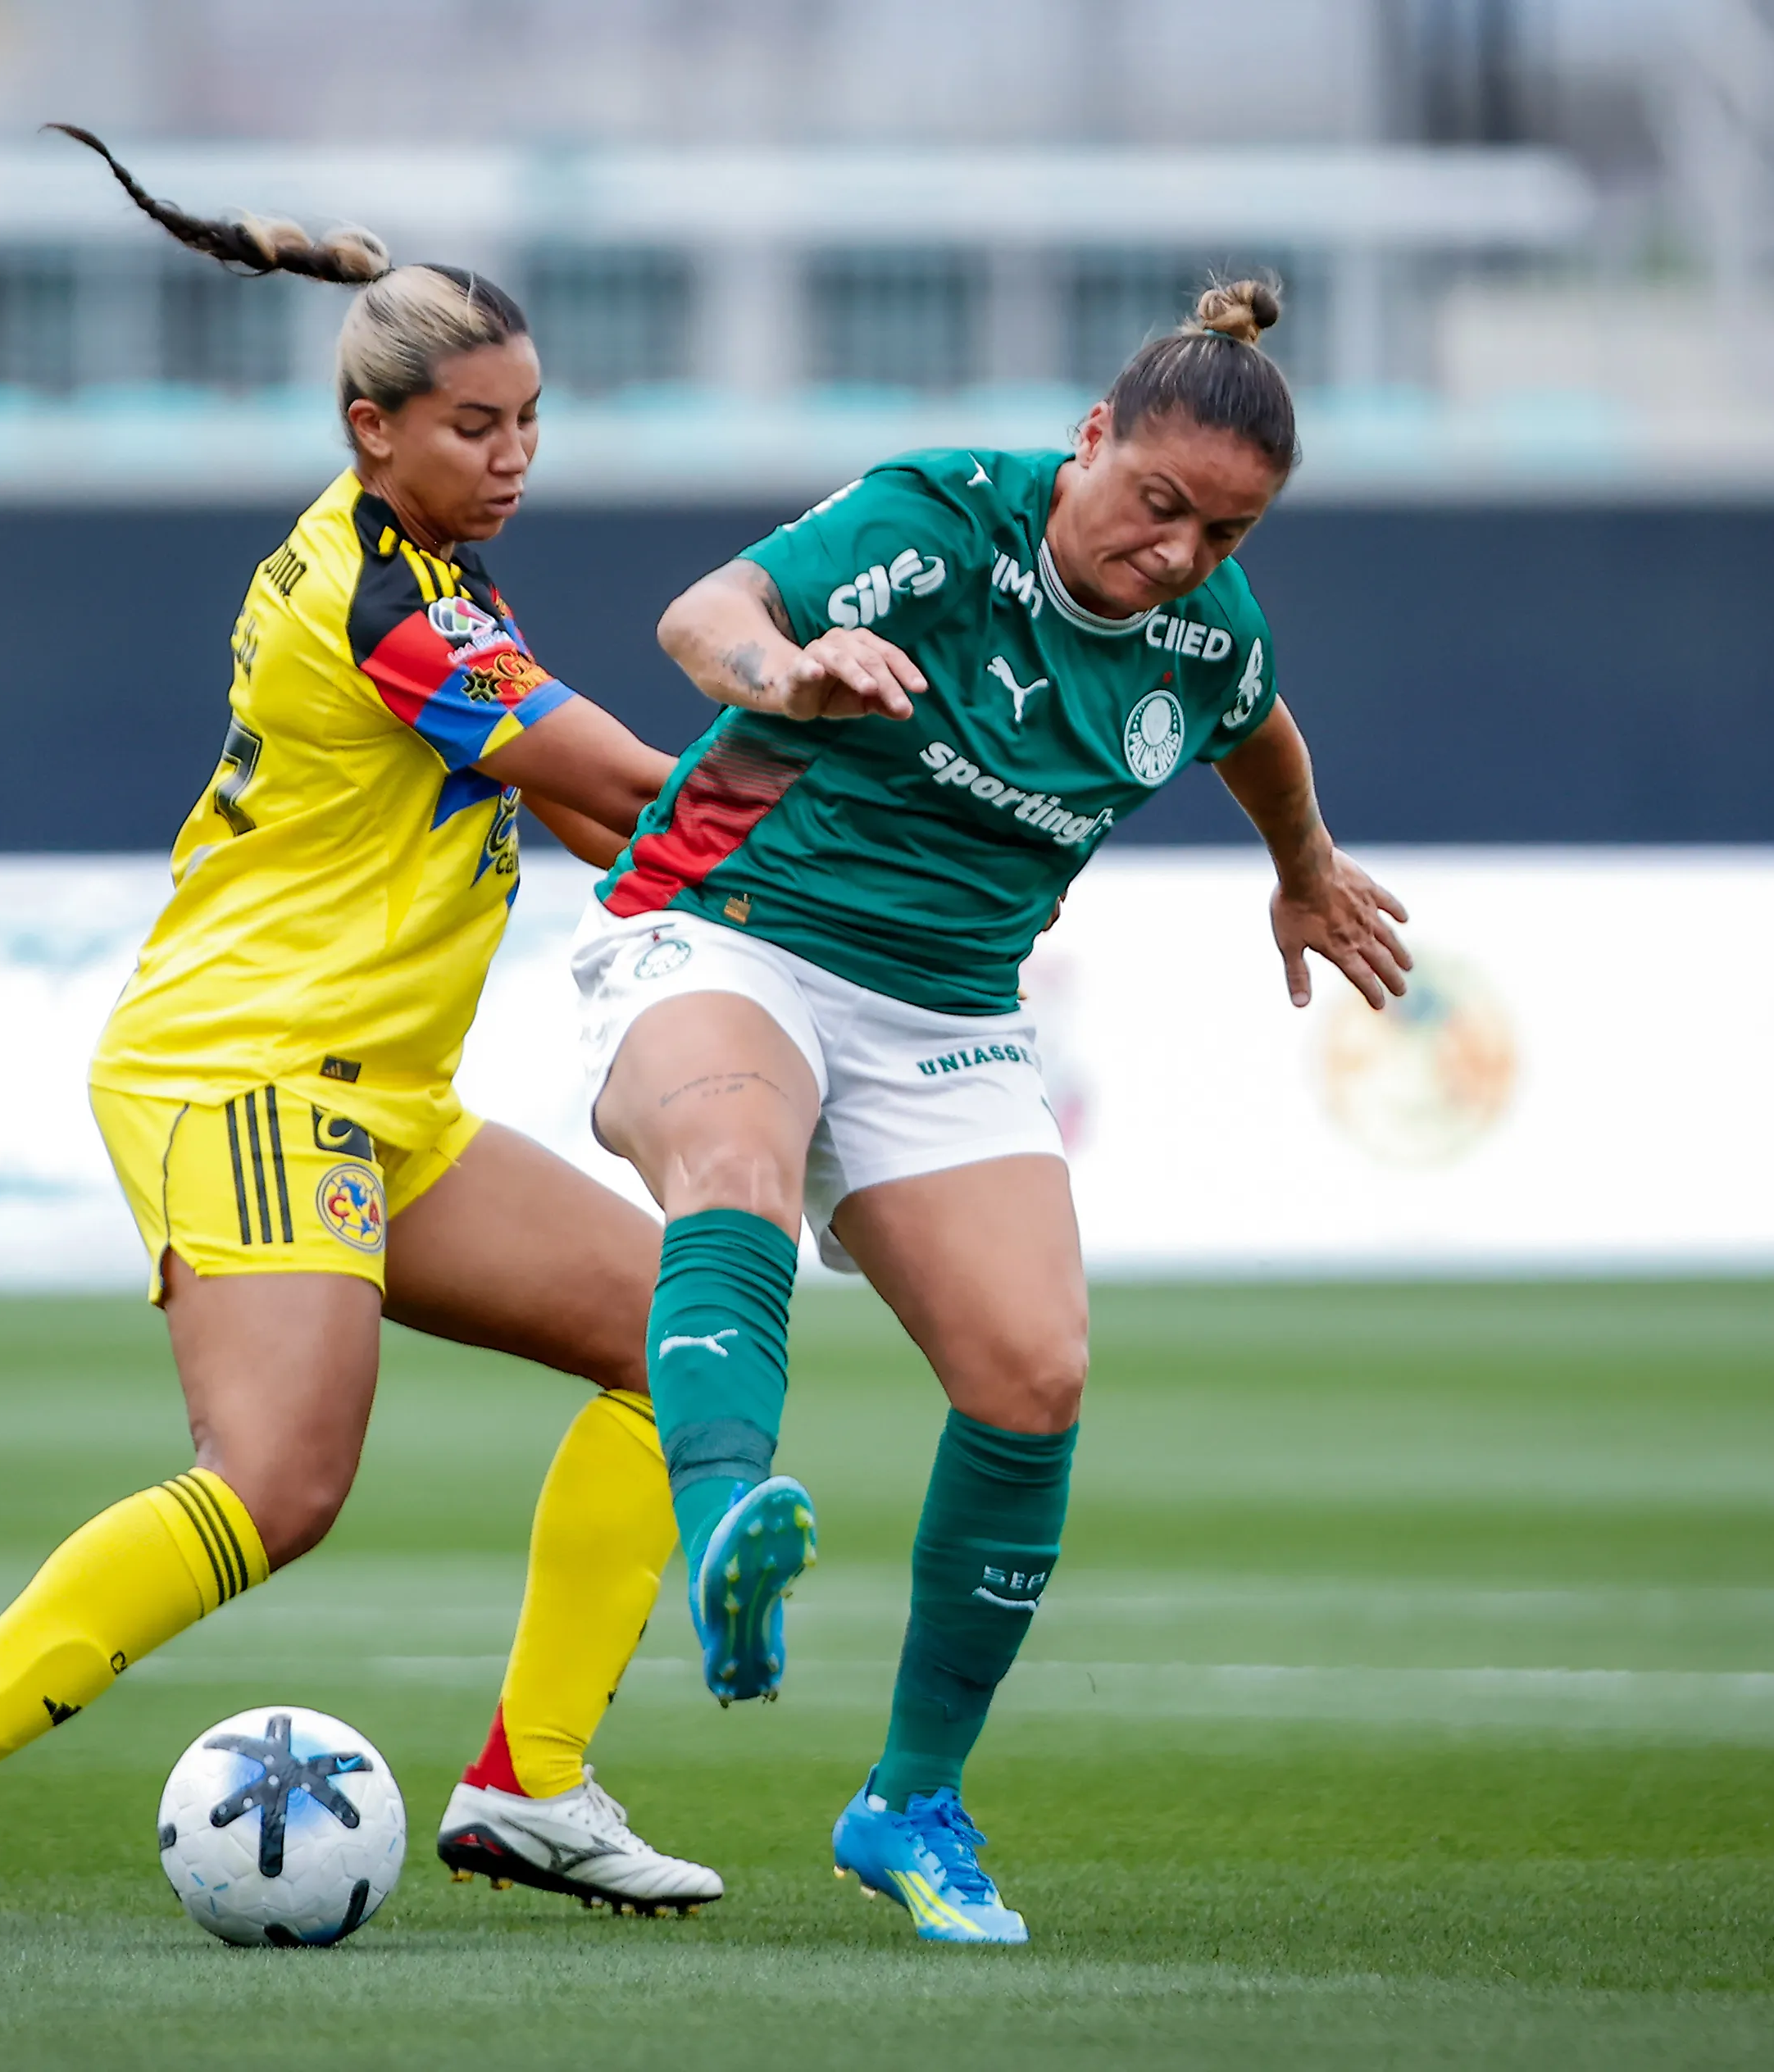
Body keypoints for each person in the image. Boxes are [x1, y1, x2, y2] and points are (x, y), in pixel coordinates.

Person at [0, 129, 712, 1939]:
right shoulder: (386, 602)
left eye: (529, 421)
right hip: (252, 1074)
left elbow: (595, 815)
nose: (512, 455)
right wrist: (866, 811)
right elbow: (622, 789)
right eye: (473, 426)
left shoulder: (437, 580)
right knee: (278, 1482)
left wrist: (766, 895)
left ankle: (530, 1783)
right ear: (372, 429)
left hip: (373, 1093)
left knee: (674, 1338)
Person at [575, 276, 1411, 1945]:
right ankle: (724, 1519)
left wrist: (1305, 869)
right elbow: (700, 615)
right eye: (1157, 501)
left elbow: (1254, 728)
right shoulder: (943, 520)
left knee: (1034, 1377)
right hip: (727, 920)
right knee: (732, 1160)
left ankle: (909, 1801)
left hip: (948, 1008)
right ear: (1088, 437)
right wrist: (789, 670)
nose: (1178, 551)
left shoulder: (1207, 632)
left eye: (1224, 532)